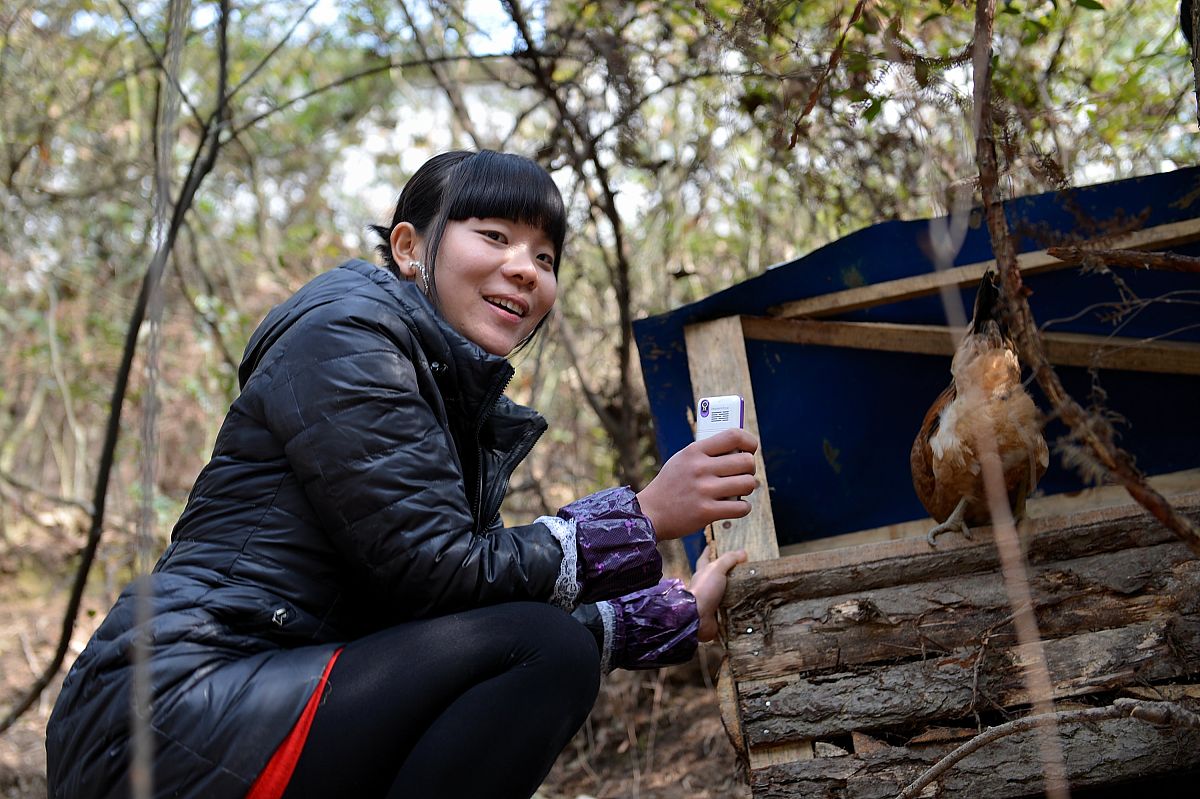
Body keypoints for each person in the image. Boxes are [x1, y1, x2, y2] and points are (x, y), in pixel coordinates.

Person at [45, 150, 759, 799]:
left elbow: (452, 621)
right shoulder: (347, 335)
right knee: (546, 650)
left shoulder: (444, 391)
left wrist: (669, 612)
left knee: (543, 643)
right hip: (172, 706)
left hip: (258, 692)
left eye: (545, 256)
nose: (525, 269)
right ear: (409, 247)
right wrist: (641, 517)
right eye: (495, 236)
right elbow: (437, 572)